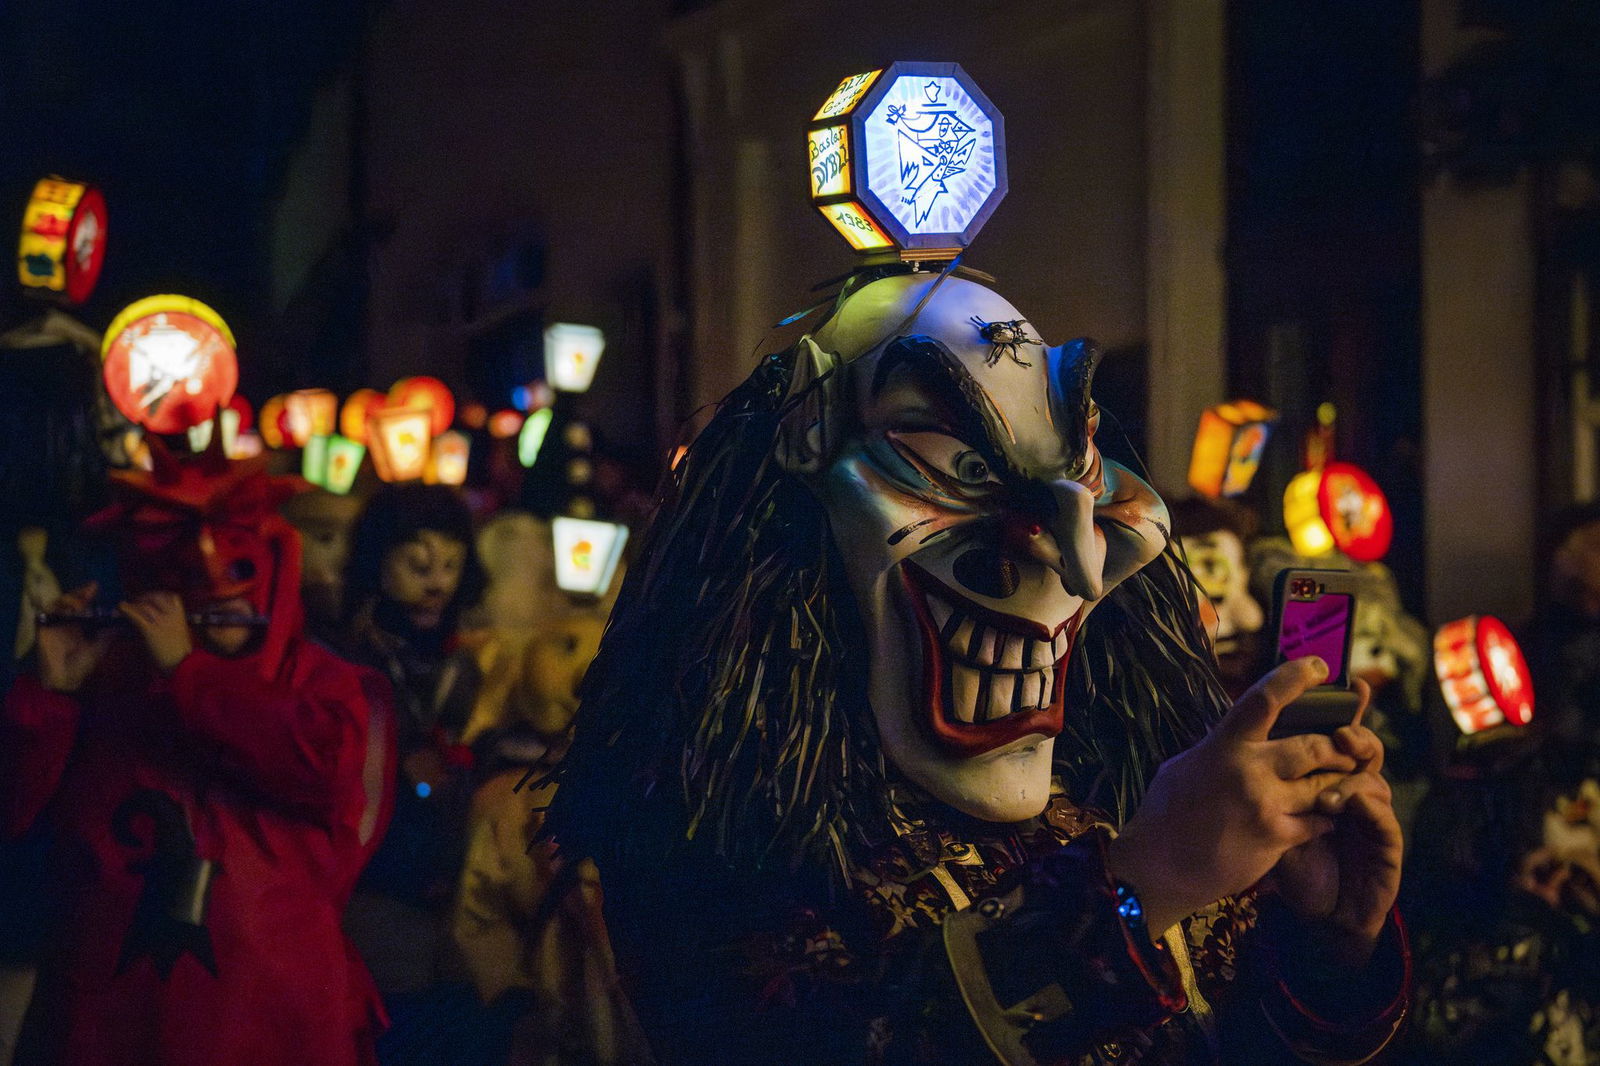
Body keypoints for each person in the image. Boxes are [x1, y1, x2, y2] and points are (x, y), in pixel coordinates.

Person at [550, 270, 1408, 1065]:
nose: (1071, 557)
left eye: (1076, 467)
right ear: (799, 468)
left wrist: (1327, 944)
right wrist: (1144, 886)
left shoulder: (1129, 779)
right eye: (956, 468)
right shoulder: (717, 827)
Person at [0, 440, 394, 1066]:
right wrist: (47, 694)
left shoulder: (326, 685)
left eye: (240, 570)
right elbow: (16, 816)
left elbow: (320, 767)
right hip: (111, 1020)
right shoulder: (109, 673)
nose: (218, 593)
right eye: (186, 575)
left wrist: (189, 673)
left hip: (266, 1020)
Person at [336, 484, 486, 1008]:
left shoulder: (467, 662)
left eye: (450, 567)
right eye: (418, 568)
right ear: (378, 567)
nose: (437, 585)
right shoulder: (350, 661)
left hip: (458, 888)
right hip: (376, 887)